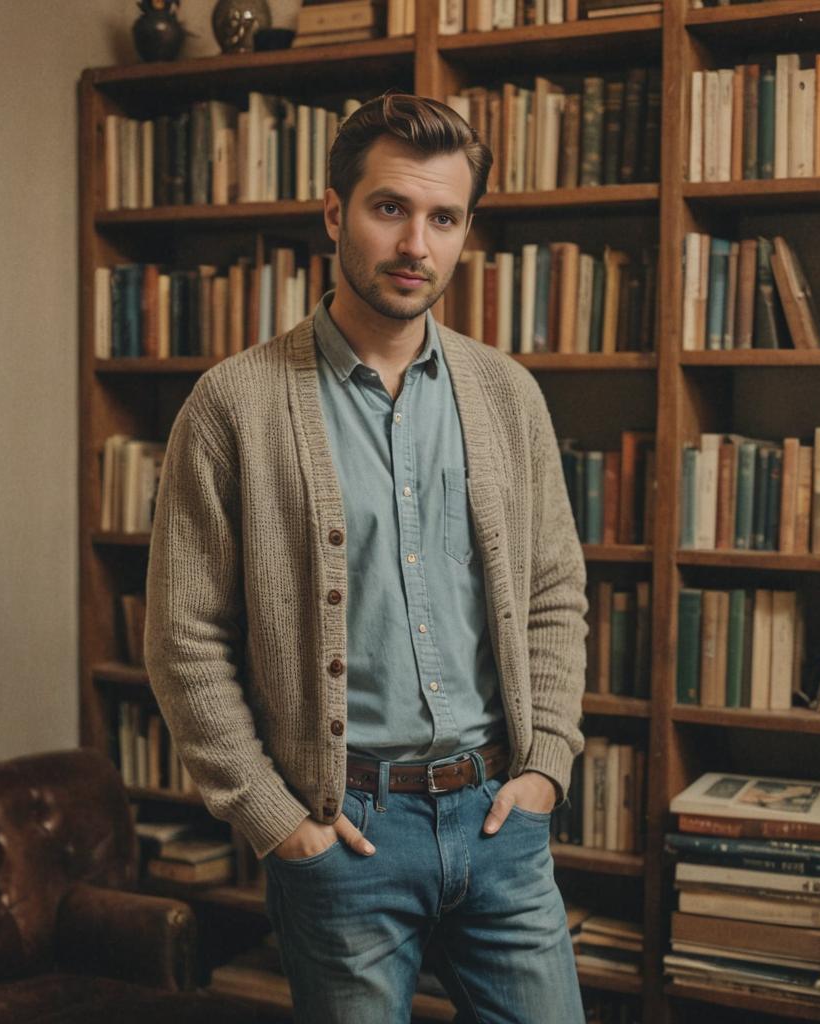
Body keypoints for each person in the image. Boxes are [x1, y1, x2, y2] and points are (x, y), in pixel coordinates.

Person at [145, 91, 588, 1024]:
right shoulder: (233, 405)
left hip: (501, 817)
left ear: (467, 230)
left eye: (443, 217)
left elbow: (553, 593)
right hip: (344, 832)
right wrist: (277, 821)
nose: (414, 245)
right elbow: (184, 640)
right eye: (390, 208)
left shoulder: (508, 395)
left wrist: (545, 762)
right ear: (333, 212)